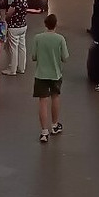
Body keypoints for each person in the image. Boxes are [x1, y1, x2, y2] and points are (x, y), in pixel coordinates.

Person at [32, 13, 69, 143]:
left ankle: (44, 132)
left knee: (43, 101)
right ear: (56, 25)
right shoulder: (60, 39)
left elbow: (34, 56)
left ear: (45, 24)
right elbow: (65, 57)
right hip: (55, 73)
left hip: (41, 74)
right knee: (55, 97)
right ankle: (54, 125)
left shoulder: (38, 38)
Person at [1, 0, 30, 76]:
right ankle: (21, 67)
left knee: (13, 48)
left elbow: (9, 13)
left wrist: (6, 17)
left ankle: (12, 69)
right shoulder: (24, 0)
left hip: (14, 26)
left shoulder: (16, 1)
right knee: (22, 47)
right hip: (23, 25)